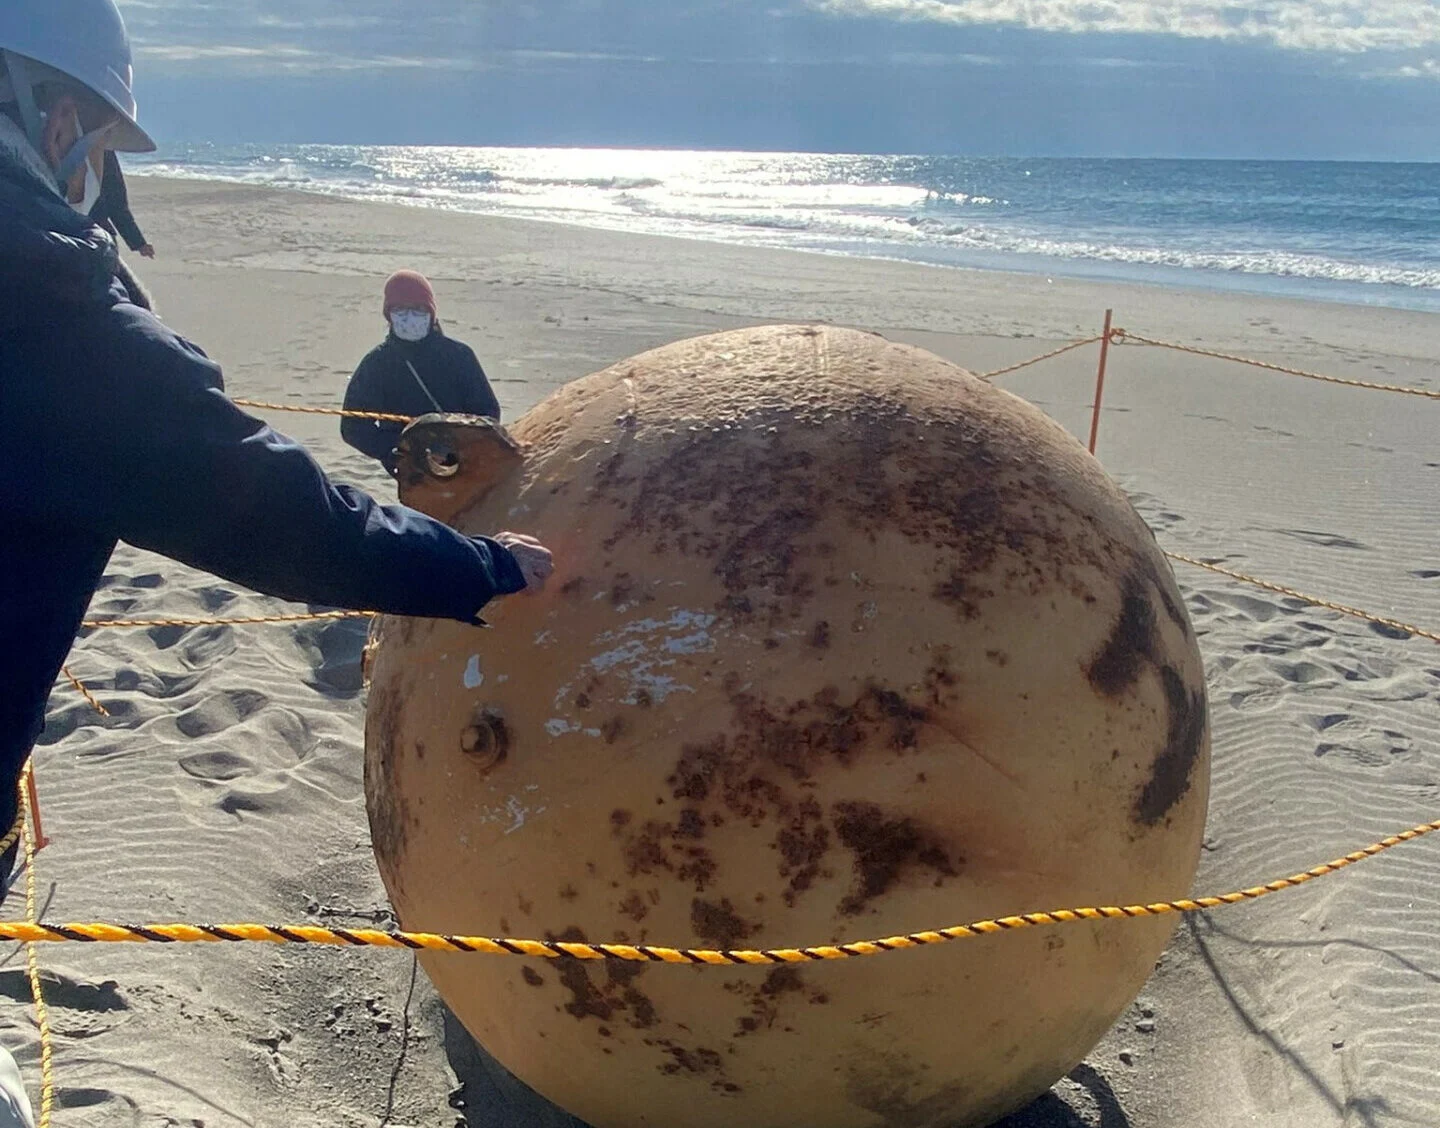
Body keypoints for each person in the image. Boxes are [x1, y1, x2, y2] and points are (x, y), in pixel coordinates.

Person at [0, 12, 555, 1123]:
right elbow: (265, 508)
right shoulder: (51, 317)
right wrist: (480, 570)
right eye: (101, 146)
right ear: (60, 118)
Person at [341, 270, 502, 475]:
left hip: (466, 464)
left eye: (417, 309)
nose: (409, 317)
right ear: (389, 314)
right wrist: (403, 452)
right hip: (414, 474)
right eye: (400, 309)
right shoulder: (377, 364)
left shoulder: (459, 355)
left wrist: (457, 447)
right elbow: (353, 427)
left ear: (431, 312)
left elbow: (488, 412)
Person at [90, 148, 154, 258]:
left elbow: (116, 201)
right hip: (94, 233)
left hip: (87, 231)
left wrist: (138, 242)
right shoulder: (103, 149)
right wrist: (138, 242)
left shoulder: (104, 151)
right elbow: (116, 202)